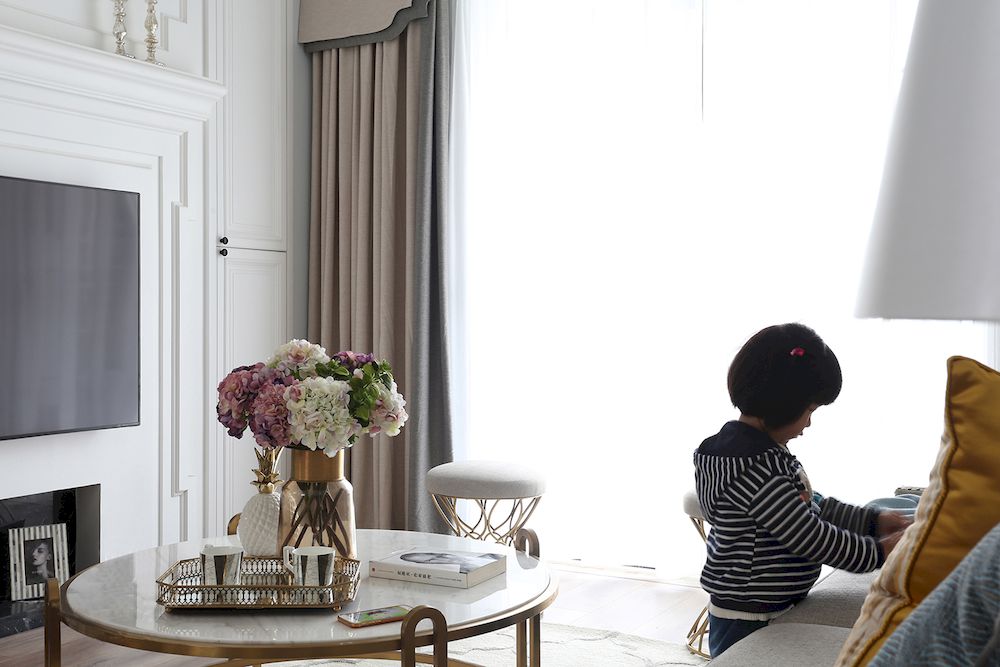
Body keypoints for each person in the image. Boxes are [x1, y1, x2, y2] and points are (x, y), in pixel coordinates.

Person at [693, 323, 911, 658]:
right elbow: (811, 537)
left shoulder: (764, 454)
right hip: (750, 616)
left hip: (769, 605)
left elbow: (813, 506)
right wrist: (881, 551)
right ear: (783, 404)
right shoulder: (754, 469)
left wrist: (873, 521)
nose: (809, 423)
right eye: (809, 410)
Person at [400, 551, 501, 574]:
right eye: (431, 561)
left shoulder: (492, 557)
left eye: (439, 555)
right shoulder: (464, 573)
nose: (444, 558)